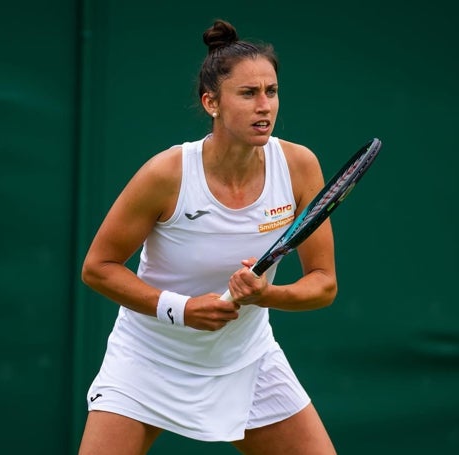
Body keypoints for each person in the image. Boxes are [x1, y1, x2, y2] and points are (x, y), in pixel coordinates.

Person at [78, 19, 338, 455]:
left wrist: (263, 295)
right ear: (211, 103)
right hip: (148, 364)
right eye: (248, 94)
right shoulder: (166, 173)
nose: (265, 106)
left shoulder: (298, 166)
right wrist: (180, 309)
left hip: (247, 361)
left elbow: (323, 284)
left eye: (271, 92)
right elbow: (97, 269)